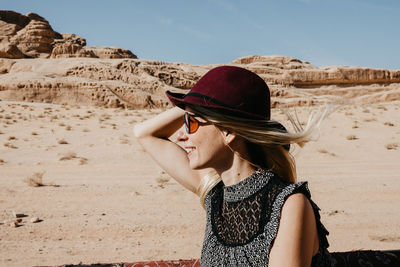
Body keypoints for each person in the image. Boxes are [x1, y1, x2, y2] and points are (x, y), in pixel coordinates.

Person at [133, 66, 332, 266]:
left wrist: (203, 103)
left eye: (191, 123)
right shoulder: (215, 195)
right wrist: (195, 103)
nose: (181, 135)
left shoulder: (288, 205)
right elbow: (144, 134)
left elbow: (146, 135)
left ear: (228, 131)